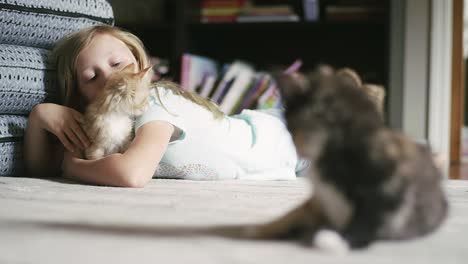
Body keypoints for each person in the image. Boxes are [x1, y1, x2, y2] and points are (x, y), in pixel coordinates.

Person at [24, 25, 306, 188]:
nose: (110, 78)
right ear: (80, 96)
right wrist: (40, 118)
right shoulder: (106, 128)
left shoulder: (155, 101)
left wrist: (72, 168)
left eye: (117, 64)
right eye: (92, 77)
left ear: (139, 63)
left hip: (286, 136)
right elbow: (41, 172)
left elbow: (131, 174)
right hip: (280, 159)